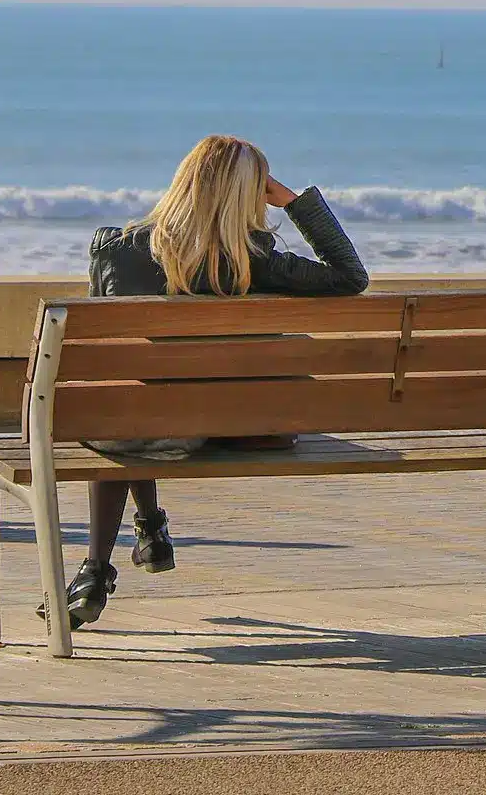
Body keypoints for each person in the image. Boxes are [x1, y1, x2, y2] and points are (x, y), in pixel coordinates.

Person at [40, 134, 368, 629]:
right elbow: (350, 277)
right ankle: (148, 530)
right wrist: (296, 202)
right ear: (248, 194)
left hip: (136, 421)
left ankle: (97, 567)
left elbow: (112, 368)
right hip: (231, 425)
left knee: (124, 411)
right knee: (142, 411)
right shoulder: (253, 258)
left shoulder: (115, 249)